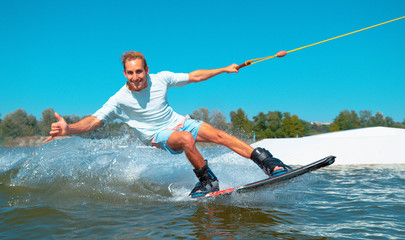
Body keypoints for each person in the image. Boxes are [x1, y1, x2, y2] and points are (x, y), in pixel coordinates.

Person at [47, 51, 291, 198]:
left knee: (219, 134)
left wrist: (225, 69)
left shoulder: (160, 79)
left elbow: (194, 76)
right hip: (158, 135)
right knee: (186, 139)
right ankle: (208, 181)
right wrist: (69, 129)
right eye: (130, 73)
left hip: (179, 121)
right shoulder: (118, 100)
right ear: (124, 73)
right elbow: (93, 122)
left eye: (139, 71)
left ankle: (269, 163)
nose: (136, 77)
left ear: (147, 70)